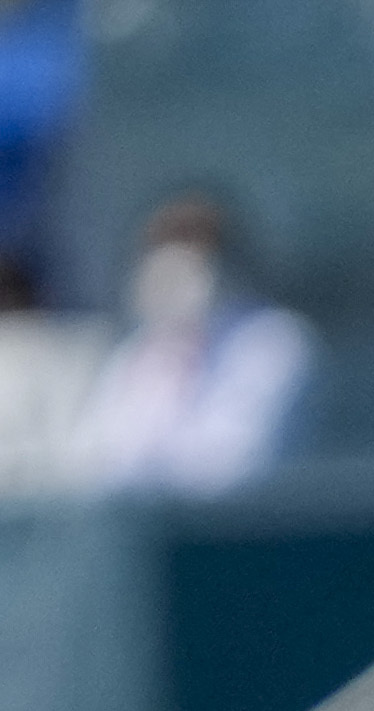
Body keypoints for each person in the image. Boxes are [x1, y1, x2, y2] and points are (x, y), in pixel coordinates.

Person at [68, 188, 320, 497]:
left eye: (189, 257)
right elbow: (90, 463)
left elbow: (231, 466)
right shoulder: (137, 351)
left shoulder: (275, 343)